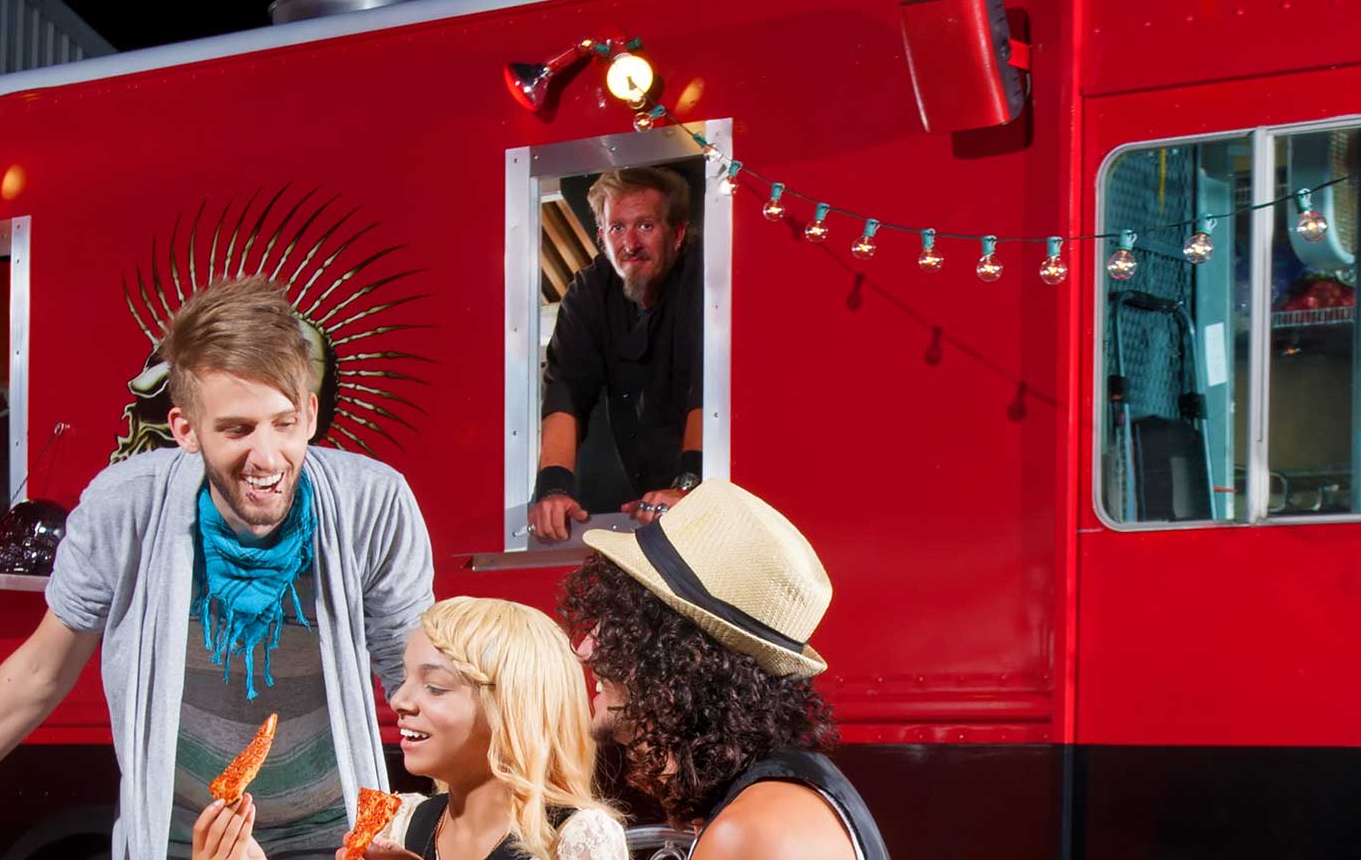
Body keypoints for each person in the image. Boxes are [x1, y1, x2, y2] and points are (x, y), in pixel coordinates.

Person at [0, 277, 439, 859]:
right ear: (185, 430)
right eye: (236, 429)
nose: (267, 457)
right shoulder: (126, 506)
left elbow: (420, 677)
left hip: (335, 832)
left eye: (283, 423)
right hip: (178, 837)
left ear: (308, 413)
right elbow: (42, 673)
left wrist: (485, 821)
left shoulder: (372, 503)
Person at [557, 482, 887, 860]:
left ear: (681, 659)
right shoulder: (779, 800)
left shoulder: (753, 832)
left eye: (619, 628)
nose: (584, 649)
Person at [221, 597, 625, 860]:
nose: (399, 701)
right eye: (406, 679)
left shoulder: (577, 839)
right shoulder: (400, 820)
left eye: (433, 687)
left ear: (511, 709)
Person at [528, 165, 704, 544]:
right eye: (617, 228)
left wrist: (692, 487)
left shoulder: (705, 276)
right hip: (646, 486)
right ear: (600, 236)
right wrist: (553, 491)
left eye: (645, 226)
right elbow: (566, 392)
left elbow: (706, 386)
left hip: (719, 483)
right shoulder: (589, 291)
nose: (630, 243)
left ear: (676, 233)